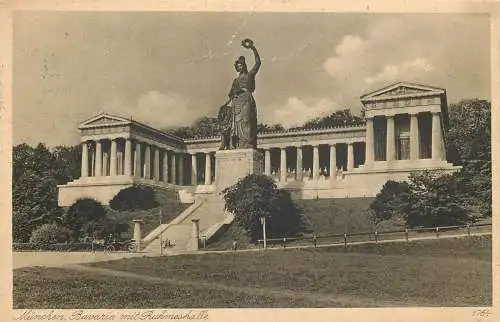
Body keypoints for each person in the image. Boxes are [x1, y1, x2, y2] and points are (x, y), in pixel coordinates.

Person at [225, 39, 261, 149]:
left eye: (241, 65)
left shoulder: (250, 75)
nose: (239, 67)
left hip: (246, 98)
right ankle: (240, 143)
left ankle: (248, 143)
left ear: (244, 65)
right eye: (238, 66)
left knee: (246, 120)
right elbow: (230, 94)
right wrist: (227, 103)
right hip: (237, 102)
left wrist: (253, 48)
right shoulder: (235, 80)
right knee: (237, 123)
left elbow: (258, 62)